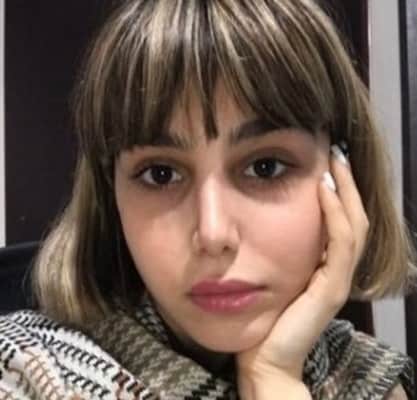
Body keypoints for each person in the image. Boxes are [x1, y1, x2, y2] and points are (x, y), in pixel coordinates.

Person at [0, 0, 415, 398]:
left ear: (343, 175)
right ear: (111, 197)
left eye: (265, 167)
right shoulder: (24, 371)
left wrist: (273, 378)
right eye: (161, 174)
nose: (213, 234)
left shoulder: (370, 378)